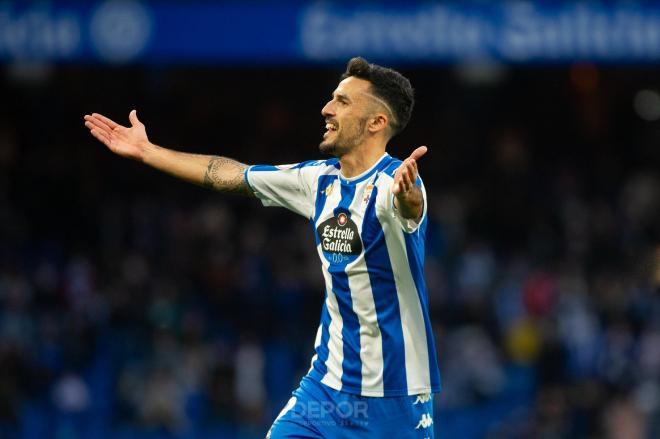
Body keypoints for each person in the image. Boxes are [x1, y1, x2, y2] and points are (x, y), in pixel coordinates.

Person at [84, 57, 440, 438]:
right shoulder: (317, 181)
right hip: (325, 389)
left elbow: (408, 206)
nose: (327, 108)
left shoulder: (394, 184)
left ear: (376, 122)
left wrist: (409, 197)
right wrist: (148, 152)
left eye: (343, 101)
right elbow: (232, 176)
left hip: (395, 397)